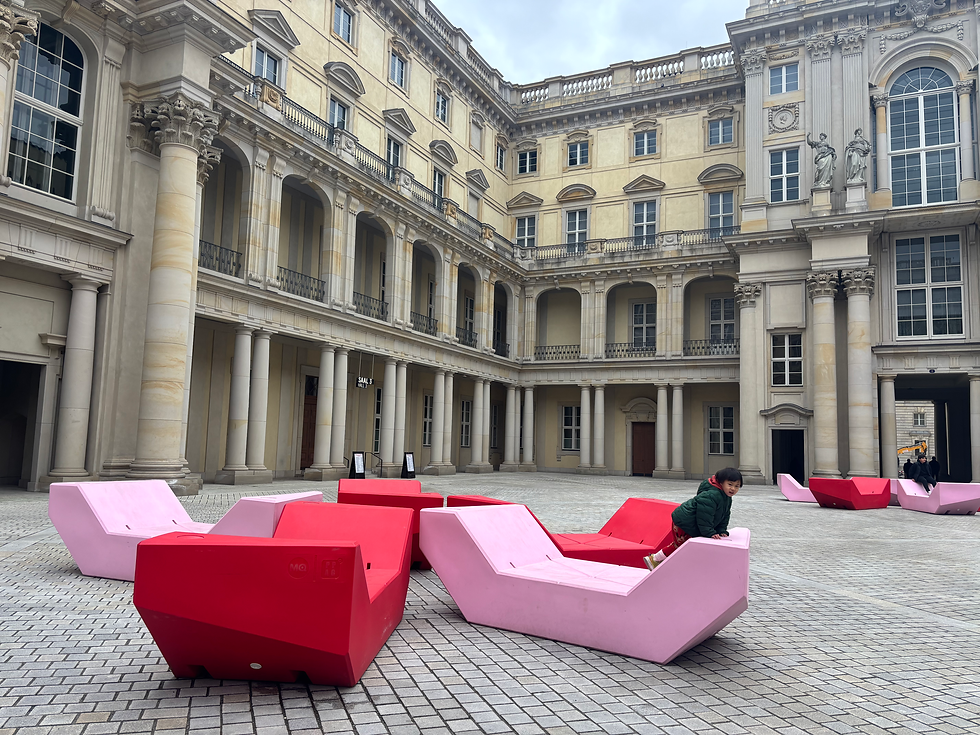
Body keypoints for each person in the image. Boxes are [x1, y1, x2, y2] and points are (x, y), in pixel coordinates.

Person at [643, 467, 741, 570]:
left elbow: (724, 515)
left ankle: (658, 561)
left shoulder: (726, 498)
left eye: (737, 486)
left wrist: (721, 530)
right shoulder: (712, 495)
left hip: (692, 523)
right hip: (684, 522)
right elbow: (704, 516)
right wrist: (709, 532)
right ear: (721, 483)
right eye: (730, 484)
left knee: (680, 546)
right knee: (681, 547)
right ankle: (655, 560)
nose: (733, 489)